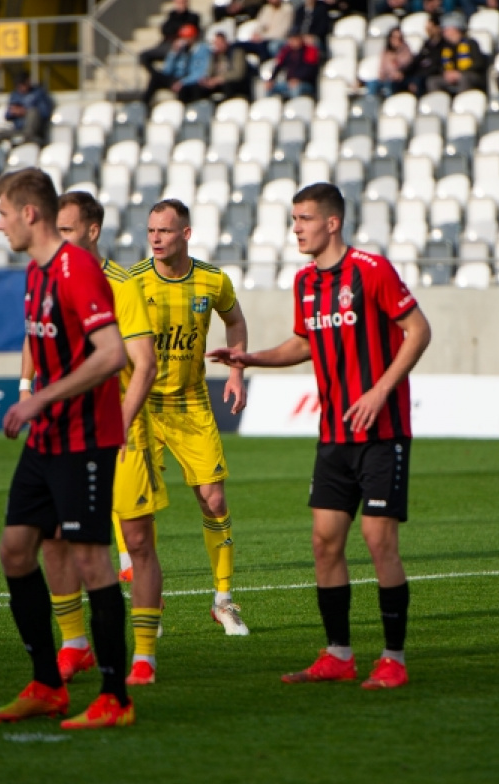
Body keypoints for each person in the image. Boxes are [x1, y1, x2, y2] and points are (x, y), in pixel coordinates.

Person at [208, 182, 432, 688]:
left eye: (304, 219)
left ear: (332, 222)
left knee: (379, 541)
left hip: (382, 431)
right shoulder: (306, 282)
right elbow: (305, 343)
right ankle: (338, 654)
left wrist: (379, 392)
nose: (296, 228)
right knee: (324, 543)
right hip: (333, 434)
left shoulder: (371, 271)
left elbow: (418, 330)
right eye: (294, 219)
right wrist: (252, 357)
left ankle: (393, 659)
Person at [0, 167, 134, 729]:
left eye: (2, 214)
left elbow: (112, 354)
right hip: (46, 440)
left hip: (84, 441)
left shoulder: (78, 270)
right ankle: (48, 684)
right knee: (15, 551)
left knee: (93, 559)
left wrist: (39, 399)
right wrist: (35, 401)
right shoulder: (34, 273)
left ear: (29, 213)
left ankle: (116, 697)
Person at [129, 199, 251, 636]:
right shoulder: (133, 283)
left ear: (186, 234)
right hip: (142, 407)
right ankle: (148, 596)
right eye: (151, 231)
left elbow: (235, 322)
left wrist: (236, 371)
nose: (156, 238)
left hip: (192, 404)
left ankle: (223, 600)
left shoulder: (213, 280)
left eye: (164, 230)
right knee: (136, 508)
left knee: (214, 500)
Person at [142, 24, 212, 106]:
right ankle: (144, 104)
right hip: (177, 77)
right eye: (183, 37)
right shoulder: (181, 50)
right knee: (156, 77)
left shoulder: (202, 50)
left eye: (187, 37)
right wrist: (173, 53)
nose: (185, 40)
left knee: (186, 88)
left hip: (190, 79)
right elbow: (167, 70)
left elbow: (200, 73)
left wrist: (182, 82)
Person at [180, 31, 252, 103]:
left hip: (233, 83)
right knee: (196, 88)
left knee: (228, 86)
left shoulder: (236, 52)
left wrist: (220, 79)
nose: (218, 45)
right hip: (216, 82)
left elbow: (238, 73)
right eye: (216, 43)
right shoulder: (214, 55)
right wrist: (206, 79)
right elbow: (210, 71)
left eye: (220, 43)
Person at [426, 12, 487, 95]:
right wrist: (446, 73)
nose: (444, 32)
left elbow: (479, 63)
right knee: (432, 81)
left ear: (455, 29)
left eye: (447, 29)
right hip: (451, 76)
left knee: (465, 78)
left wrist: (460, 73)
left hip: (469, 75)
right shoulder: (445, 46)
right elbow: (440, 65)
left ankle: (462, 103)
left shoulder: (471, 43)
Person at [0, 71, 54, 146]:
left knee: (33, 112)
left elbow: (45, 112)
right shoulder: (15, 95)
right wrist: (13, 112)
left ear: (28, 82)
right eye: (18, 86)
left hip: (35, 131)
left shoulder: (39, 93)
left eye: (23, 84)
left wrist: (25, 112)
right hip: (18, 130)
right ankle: (22, 138)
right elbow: (7, 116)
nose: (21, 88)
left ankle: (27, 137)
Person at [139, 0, 201, 75]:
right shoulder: (172, 15)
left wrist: (179, 34)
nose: (180, 5)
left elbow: (188, 31)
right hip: (166, 43)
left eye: (182, 2)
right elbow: (165, 30)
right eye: (178, 3)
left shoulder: (193, 17)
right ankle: (157, 76)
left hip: (182, 46)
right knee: (144, 56)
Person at [265, 27, 321, 100]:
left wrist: (298, 79)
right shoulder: (287, 51)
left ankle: (295, 108)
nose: (293, 41)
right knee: (270, 88)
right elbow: (279, 66)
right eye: (291, 39)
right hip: (289, 83)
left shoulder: (310, 50)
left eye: (295, 38)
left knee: (296, 89)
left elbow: (310, 69)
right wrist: (271, 80)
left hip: (305, 83)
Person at [364, 27, 414, 98]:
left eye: (399, 38)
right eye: (394, 38)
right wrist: (384, 74)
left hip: (399, 80)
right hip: (386, 77)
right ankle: (371, 101)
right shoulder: (385, 52)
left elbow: (405, 65)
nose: (396, 40)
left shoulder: (406, 51)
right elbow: (382, 68)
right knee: (372, 83)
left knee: (389, 85)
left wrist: (396, 56)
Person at [406, 13, 445, 97]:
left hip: (432, 74)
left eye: (430, 28)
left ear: (437, 28)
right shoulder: (426, 44)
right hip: (420, 74)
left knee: (420, 81)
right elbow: (417, 61)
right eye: (427, 28)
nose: (428, 31)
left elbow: (436, 63)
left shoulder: (444, 44)